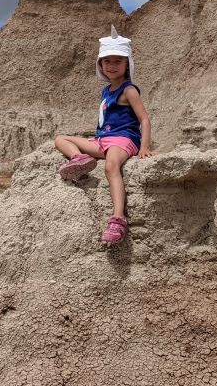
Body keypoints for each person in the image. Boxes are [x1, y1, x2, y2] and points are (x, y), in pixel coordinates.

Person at [54, 26, 154, 244]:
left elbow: (144, 119)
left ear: (127, 64)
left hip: (124, 139)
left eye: (118, 61)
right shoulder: (106, 90)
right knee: (60, 139)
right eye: (107, 61)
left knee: (111, 166)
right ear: (100, 64)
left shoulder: (129, 90)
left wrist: (144, 146)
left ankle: (118, 218)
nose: (112, 66)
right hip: (103, 140)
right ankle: (79, 159)